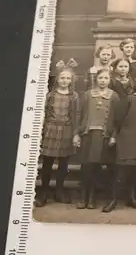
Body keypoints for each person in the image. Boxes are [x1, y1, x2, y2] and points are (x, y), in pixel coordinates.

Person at [102, 74, 136, 213]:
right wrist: (114, 136)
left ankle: (132, 198)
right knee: (121, 173)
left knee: (135, 173)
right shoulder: (129, 99)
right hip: (127, 139)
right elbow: (118, 119)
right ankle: (113, 200)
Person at [35, 60, 80, 207]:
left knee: (63, 164)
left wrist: (75, 133)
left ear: (71, 80)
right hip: (51, 129)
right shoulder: (50, 95)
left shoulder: (74, 96)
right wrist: (43, 130)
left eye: (68, 78)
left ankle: (59, 191)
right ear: (57, 79)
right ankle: (44, 192)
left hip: (67, 130)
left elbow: (75, 115)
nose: (65, 81)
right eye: (62, 78)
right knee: (47, 163)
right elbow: (45, 114)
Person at [76, 69, 121, 210]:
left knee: (96, 167)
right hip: (87, 134)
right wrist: (77, 133)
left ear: (109, 80)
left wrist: (113, 135)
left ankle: (92, 198)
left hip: (103, 136)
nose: (103, 80)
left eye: (106, 78)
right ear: (96, 79)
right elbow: (80, 114)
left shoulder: (114, 96)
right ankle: (82, 198)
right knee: (86, 167)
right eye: (100, 78)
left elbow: (116, 119)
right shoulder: (87, 95)